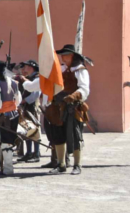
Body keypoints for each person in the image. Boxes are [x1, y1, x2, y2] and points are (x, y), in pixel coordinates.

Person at [43, 44, 90, 175]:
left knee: (75, 136)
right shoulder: (59, 70)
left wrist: (74, 96)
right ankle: (61, 164)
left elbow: (84, 88)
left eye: (66, 55)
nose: (63, 57)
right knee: (58, 136)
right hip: (57, 108)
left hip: (72, 108)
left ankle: (77, 165)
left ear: (73, 56)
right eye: (62, 55)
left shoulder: (80, 70)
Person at [0, 61, 21, 176]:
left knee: (5, 143)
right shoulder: (14, 83)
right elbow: (18, 100)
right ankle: (5, 168)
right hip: (13, 116)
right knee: (7, 142)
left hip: (2, 117)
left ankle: (7, 169)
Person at [16, 60, 43, 163]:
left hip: (33, 108)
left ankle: (36, 154)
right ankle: (28, 153)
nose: (24, 68)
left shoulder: (37, 78)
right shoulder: (29, 78)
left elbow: (35, 95)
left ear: (31, 67)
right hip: (26, 107)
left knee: (35, 130)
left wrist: (23, 101)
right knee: (27, 129)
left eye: (26, 66)